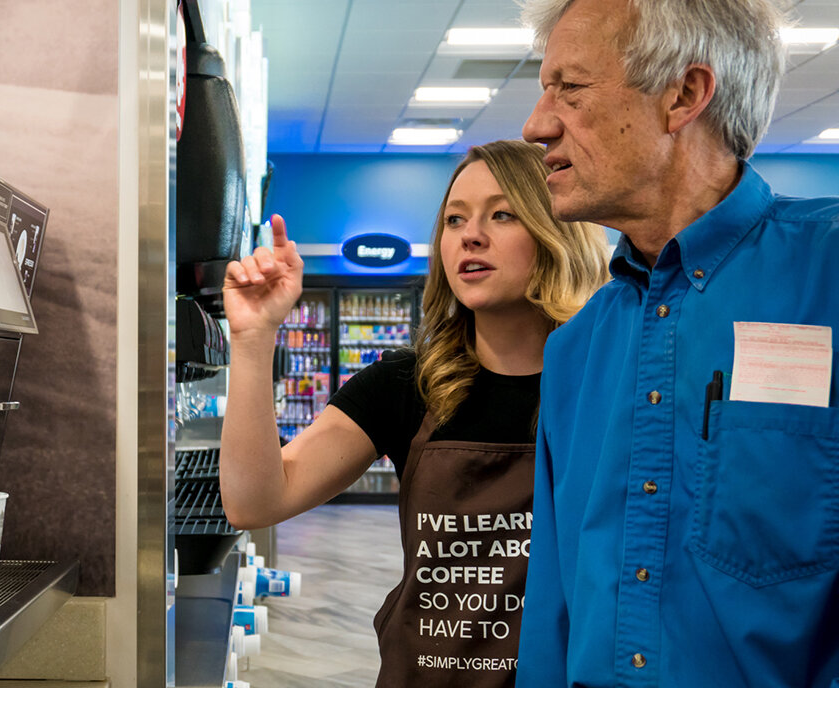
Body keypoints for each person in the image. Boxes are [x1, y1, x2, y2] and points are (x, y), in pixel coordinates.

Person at [515, 0, 839, 688]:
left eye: (570, 89)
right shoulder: (576, 349)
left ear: (684, 95)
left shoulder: (827, 277)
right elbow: (553, 609)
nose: (537, 125)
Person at [219, 139, 610, 687]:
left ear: (556, 233)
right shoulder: (407, 384)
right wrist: (255, 339)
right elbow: (254, 500)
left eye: (502, 214)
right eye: (454, 219)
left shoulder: (610, 383)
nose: (470, 235)